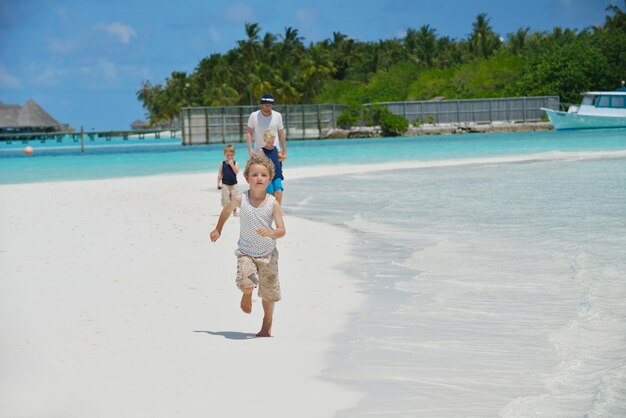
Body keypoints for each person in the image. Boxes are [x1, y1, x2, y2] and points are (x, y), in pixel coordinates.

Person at [210, 153, 286, 337]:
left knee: (268, 293)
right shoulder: (240, 199)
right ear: (246, 177)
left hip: (268, 254)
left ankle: (267, 323)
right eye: (254, 175)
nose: (259, 178)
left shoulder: (272, 203)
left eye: (263, 175)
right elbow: (226, 211)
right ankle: (247, 293)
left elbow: (282, 230)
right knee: (246, 282)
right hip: (246, 252)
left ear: (270, 178)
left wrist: (270, 232)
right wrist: (218, 229)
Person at [246, 93, 287, 159]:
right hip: (258, 153)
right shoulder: (253, 116)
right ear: (261, 104)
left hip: (275, 152)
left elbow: (281, 134)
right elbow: (249, 133)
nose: (268, 107)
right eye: (266, 105)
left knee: (277, 169)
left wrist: (284, 151)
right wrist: (250, 150)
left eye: (270, 105)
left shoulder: (277, 115)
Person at [261, 129, 285, 205]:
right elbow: (260, 164)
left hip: (277, 174)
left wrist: (282, 158)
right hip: (268, 176)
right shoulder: (262, 151)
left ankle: (278, 209)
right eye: (269, 142)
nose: (271, 144)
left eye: (272, 142)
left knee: (279, 191)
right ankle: (269, 209)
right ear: (264, 140)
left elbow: (278, 160)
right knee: (270, 193)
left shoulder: (276, 149)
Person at [217, 144, 240, 216]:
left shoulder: (235, 163)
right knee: (225, 199)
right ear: (224, 154)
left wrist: (232, 165)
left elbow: (236, 171)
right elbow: (220, 174)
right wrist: (218, 183)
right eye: (228, 155)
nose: (230, 157)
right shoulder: (222, 163)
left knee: (234, 198)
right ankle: (226, 211)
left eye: (231, 155)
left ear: (234, 155)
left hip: (234, 184)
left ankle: (234, 211)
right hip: (225, 184)